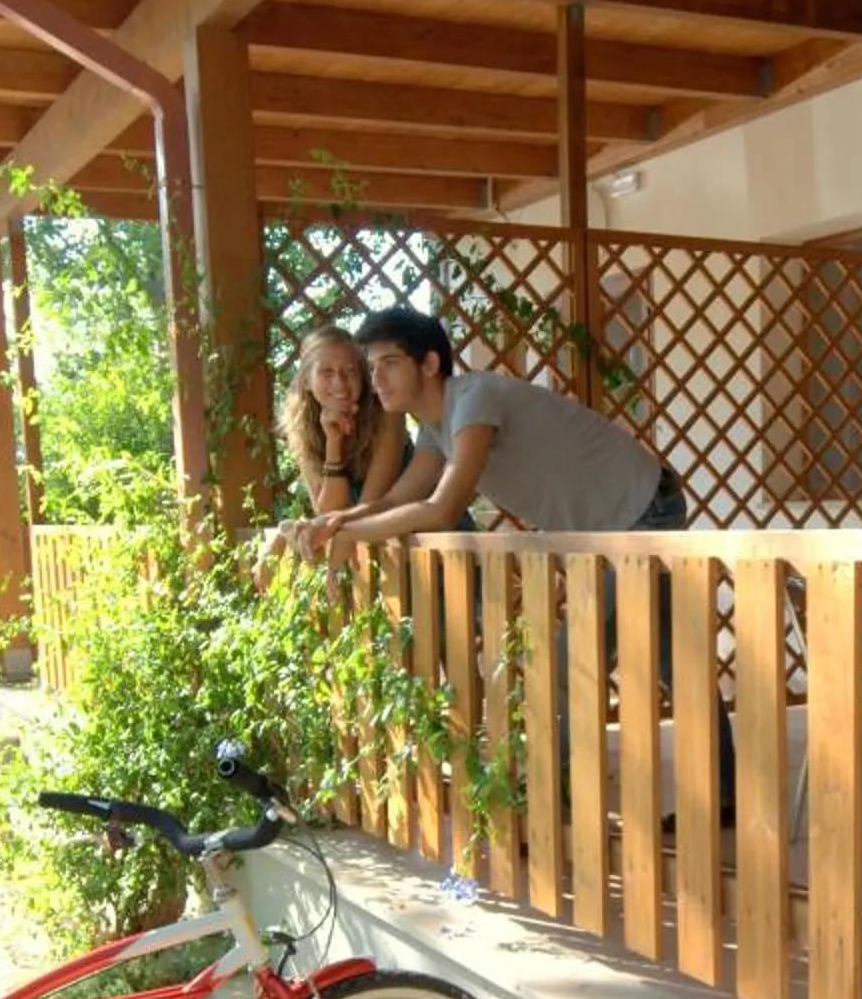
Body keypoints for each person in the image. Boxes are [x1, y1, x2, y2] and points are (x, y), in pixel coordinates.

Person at [300, 307, 738, 815]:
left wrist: (346, 531)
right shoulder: (434, 429)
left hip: (643, 515)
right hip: (607, 530)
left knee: (567, 660)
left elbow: (440, 509)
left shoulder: (474, 400)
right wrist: (335, 523)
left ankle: (558, 799)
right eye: (371, 366)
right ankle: (723, 796)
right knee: (674, 661)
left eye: (389, 363)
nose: (375, 378)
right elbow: (400, 498)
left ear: (429, 363)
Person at [279, 326, 405, 516]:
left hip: (431, 534)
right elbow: (328, 512)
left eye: (350, 370)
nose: (340, 382)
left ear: (362, 377)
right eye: (327, 372)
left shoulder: (388, 412)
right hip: (363, 537)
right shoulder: (301, 426)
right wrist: (333, 442)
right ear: (306, 382)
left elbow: (369, 508)